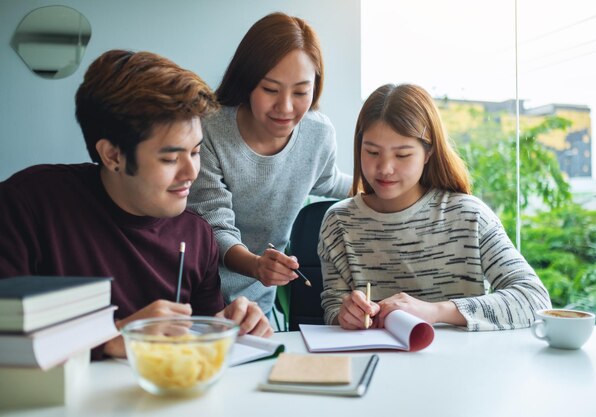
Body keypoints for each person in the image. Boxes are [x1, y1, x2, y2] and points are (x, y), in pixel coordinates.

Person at [0, 49, 272, 359]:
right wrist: (113, 338)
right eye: (170, 158)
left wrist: (227, 329)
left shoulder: (197, 236)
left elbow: (200, 340)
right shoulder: (27, 205)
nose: (190, 173)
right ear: (113, 155)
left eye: (195, 152)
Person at [319, 83, 552, 331]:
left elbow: (534, 299)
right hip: (376, 364)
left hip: (462, 365)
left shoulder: (470, 216)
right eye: (372, 152)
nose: (385, 168)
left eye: (402, 155)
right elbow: (333, 306)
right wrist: (344, 314)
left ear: (428, 153)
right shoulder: (339, 222)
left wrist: (435, 311)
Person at [188, 12, 351, 316]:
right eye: (270, 90)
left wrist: (395, 185)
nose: (286, 107)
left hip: (255, 302)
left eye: (301, 92)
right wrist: (257, 265)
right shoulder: (210, 129)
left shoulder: (318, 133)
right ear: (247, 81)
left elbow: (328, 181)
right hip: (198, 295)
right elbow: (215, 225)